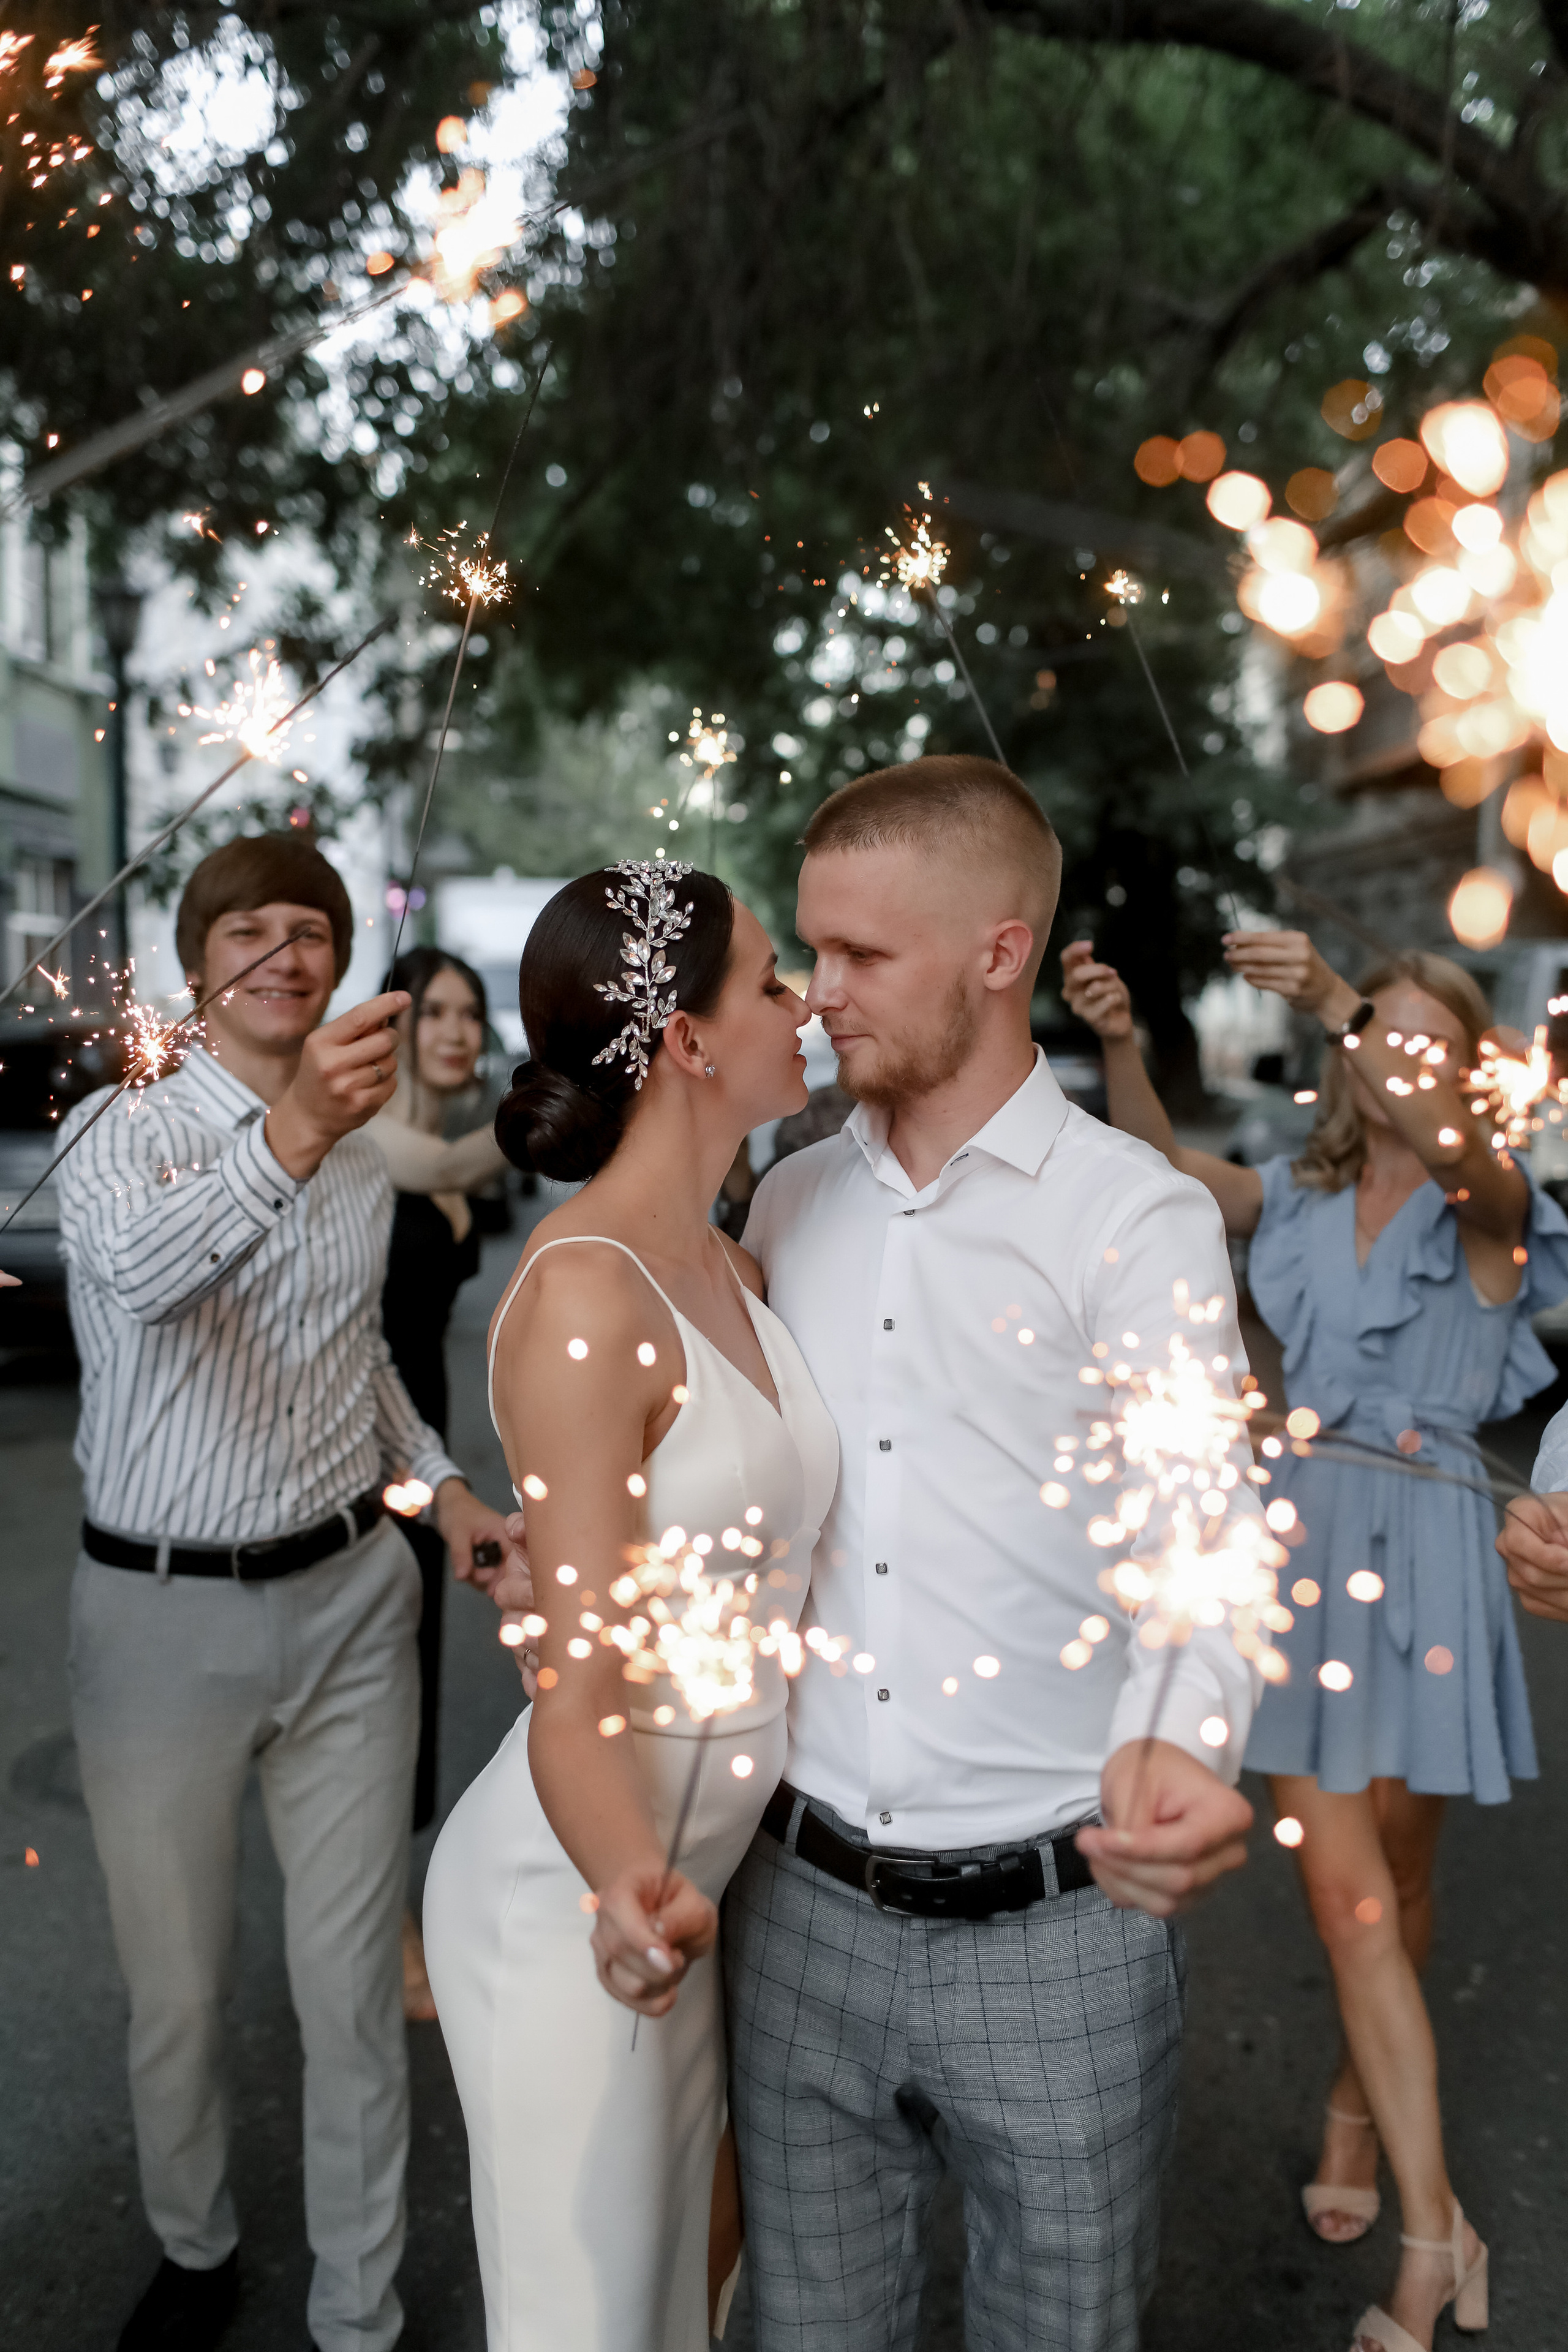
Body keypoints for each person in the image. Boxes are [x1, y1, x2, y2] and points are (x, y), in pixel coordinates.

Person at [718, 760, 1262, 2352]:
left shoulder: (1132, 1220)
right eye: (811, 950)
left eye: (861, 955)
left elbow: (1203, 1527)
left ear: (998, 953)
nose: (819, 994)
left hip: (1059, 1928)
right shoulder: (786, 1203)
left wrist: (1188, 1738)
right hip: (797, 1904)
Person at [1062, 926, 1568, 2352]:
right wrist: (1116, 1041)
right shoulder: (1292, 1193)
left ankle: (1354, 2102)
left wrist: (1346, 1000)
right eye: (1377, 1040)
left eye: (1426, 1045)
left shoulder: (1490, 1202)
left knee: (1398, 1880)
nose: (1394, 1062)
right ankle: (1433, 2232)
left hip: (1432, 1560)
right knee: (1349, 1899)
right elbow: (1152, 1175)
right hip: (1297, 1553)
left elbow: (1460, 1151)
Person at [56, 834, 519, 2352]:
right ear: (199, 967)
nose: (283, 953)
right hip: (158, 1620)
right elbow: (144, 1283)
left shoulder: (364, 1158)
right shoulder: (121, 1129)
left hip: (352, 1605)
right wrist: (295, 1136)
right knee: (180, 1995)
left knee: (352, 1991)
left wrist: (443, 1493)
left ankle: (358, 2310)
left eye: (310, 929)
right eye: (247, 929)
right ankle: (195, 2250)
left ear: (340, 958)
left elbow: (358, 1362)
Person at [422, 860, 840, 2350]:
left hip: (694, 1884)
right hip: (579, 1894)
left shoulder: (734, 1257)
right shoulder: (590, 1297)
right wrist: (622, 1890)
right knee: (585, 2324)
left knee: (676, 2305)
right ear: (686, 1039)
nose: (809, 1008)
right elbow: (578, 1686)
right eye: (774, 982)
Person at [367, 946, 508, 2020]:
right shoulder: (371, 1135)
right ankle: (383, 1925)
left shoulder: (443, 1140)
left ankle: (385, 1906)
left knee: (413, 1675)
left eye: (470, 1014)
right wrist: (570, 1092)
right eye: (436, 1013)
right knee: (379, 1688)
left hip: (425, 1437)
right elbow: (455, 1163)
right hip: (370, 1445)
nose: (457, 1032)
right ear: (396, 1024)